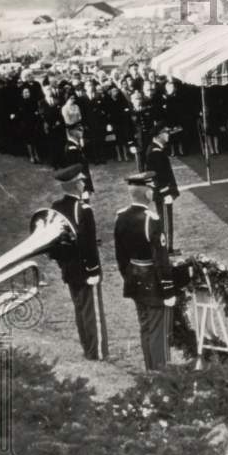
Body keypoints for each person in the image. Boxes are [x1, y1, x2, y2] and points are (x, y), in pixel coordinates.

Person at [114, 171, 176, 372]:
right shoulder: (151, 219)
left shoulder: (121, 217)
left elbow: (120, 256)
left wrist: (128, 276)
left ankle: (151, 370)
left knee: (145, 326)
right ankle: (161, 372)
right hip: (152, 280)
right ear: (148, 194)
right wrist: (168, 289)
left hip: (134, 277)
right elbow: (161, 259)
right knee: (158, 329)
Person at [49, 165, 108, 361]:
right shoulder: (83, 209)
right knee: (92, 312)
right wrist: (93, 270)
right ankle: (96, 351)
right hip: (84, 268)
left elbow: (53, 243)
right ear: (76, 185)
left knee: (79, 309)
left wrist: (63, 263)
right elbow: (88, 243)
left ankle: (87, 348)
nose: (84, 183)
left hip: (68, 267)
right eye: (82, 180)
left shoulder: (55, 208)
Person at [145, 123, 181, 254]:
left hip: (162, 192)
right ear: (158, 135)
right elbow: (158, 176)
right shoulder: (155, 152)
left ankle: (168, 248)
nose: (168, 135)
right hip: (163, 193)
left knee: (166, 221)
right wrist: (167, 192)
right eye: (165, 132)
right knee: (165, 223)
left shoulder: (155, 149)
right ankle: (166, 250)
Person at [62, 124, 94, 196]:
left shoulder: (76, 145)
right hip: (80, 181)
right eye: (79, 130)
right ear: (72, 132)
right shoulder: (71, 148)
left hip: (83, 179)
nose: (81, 132)